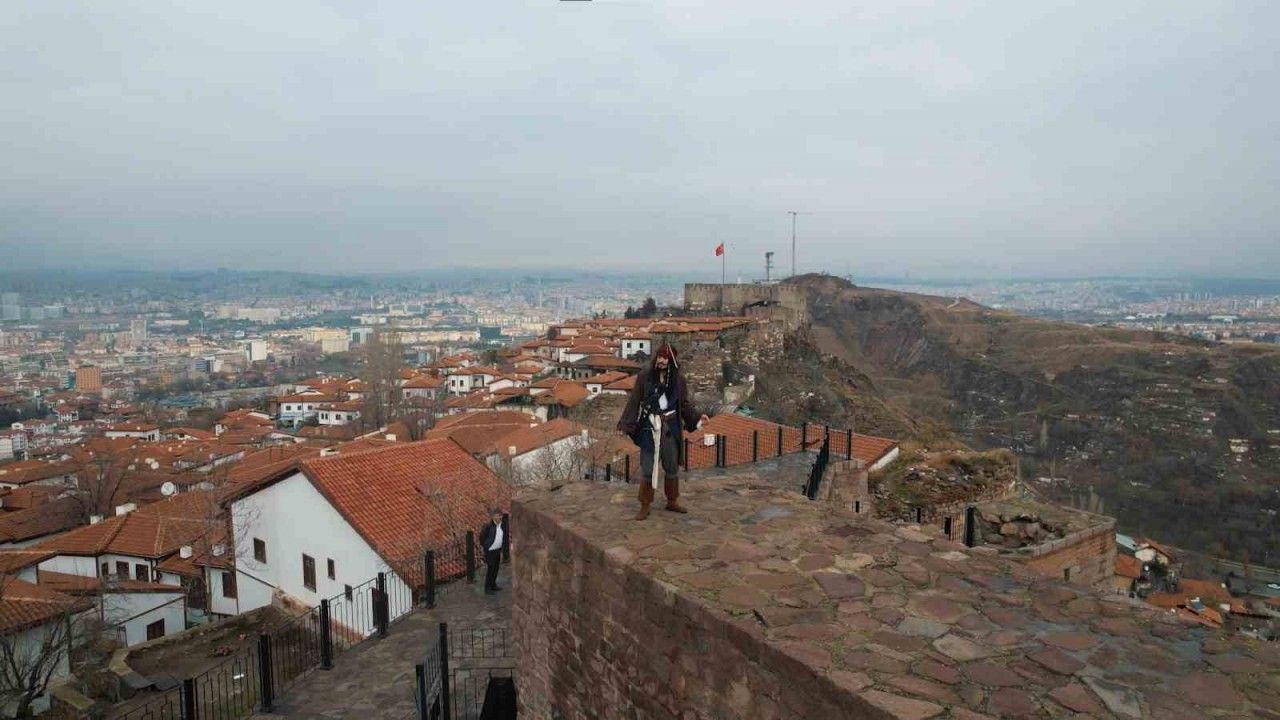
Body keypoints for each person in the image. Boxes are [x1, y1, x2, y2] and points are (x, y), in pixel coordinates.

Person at [617, 342, 709, 520]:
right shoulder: (645, 377)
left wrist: (697, 419)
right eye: (659, 357)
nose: (661, 360)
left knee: (672, 466)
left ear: (671, 360)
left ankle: (672, 500)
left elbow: (683, 404)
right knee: (647, 468)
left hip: (671, 427)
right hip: (649, 427)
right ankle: (645, 504)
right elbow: (634, 400)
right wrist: (625, 424)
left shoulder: (679, 381)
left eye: (665, 358)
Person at [478, 509, 506, 594]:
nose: (500, 517)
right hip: (490, 551)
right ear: (493, 516)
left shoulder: (501, 526)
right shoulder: (488, 526)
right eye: (498, 515)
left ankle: (493, 585)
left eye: (500, 515)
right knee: (491, 569)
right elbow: (481, 537)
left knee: (496, 568)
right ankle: (487, 588)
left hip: (497, 550)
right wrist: (486, 546)